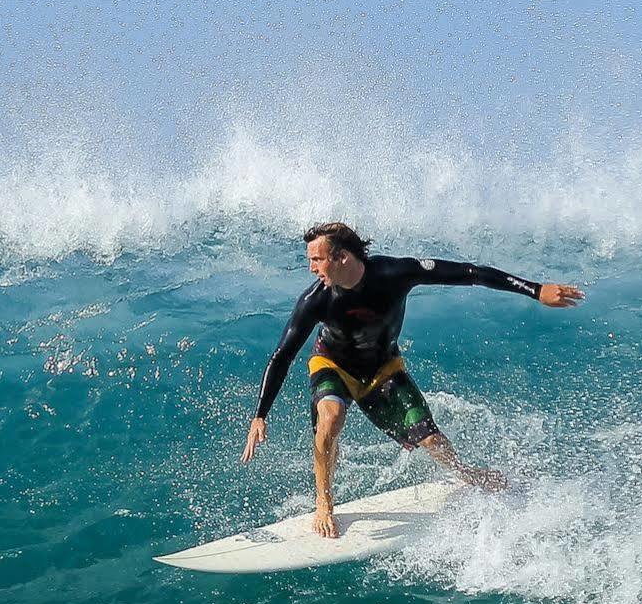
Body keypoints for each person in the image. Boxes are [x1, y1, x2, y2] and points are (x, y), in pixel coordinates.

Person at [240, 222, 585, 537]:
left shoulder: (395, 273)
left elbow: (469, 273)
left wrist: (535, 289)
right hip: (333, 364)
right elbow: (281, 356)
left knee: (431, 440)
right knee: (330, 418)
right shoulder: (315, 300)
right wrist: (260, 415)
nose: (311, 269)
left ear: (342, 257)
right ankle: (324, 503)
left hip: (383, 368)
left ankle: (467, 473)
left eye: (316, 259)